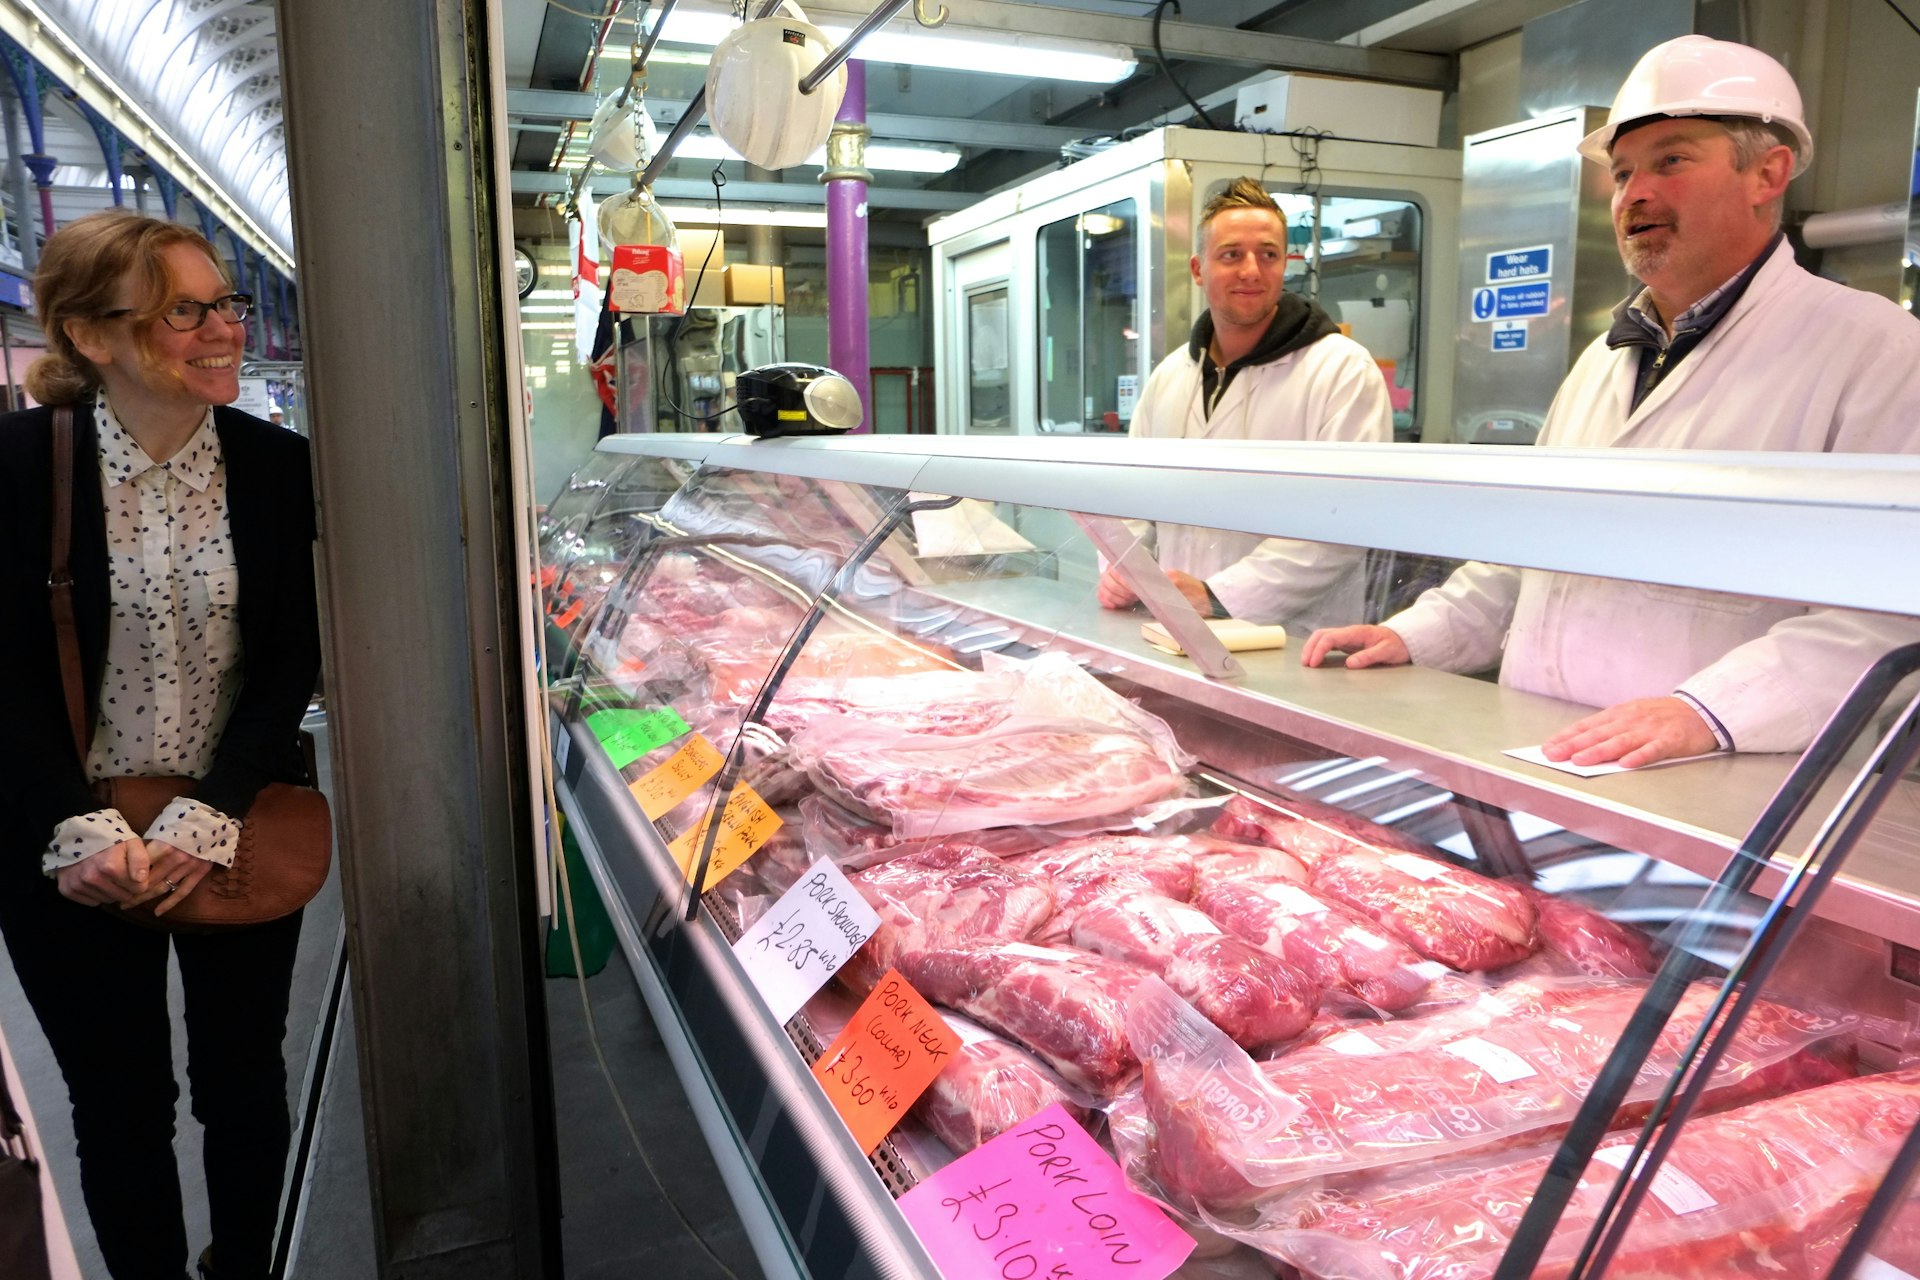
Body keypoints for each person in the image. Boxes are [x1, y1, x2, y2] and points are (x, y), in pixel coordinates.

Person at [1302, 35, 1920, 768]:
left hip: (1723, 781)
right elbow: (1530, 550)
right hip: (1549, 757)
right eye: (1624, 172)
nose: (1636, 194)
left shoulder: (1879, 351)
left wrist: (1708, 712)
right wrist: (1419, 632)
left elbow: (1887, 611)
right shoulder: (1602, 359)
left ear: (1769, 173)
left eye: (1673, 161)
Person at [0, 211, 321, 1280]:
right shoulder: (17, 466)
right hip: (69, 846)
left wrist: (218, 801)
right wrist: (66, 817)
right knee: (119, 1096)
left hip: (232, 822)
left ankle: (244, 1266)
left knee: (244, 1079)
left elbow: (290, 659)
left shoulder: (277, 468)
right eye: (184, 310)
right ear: (91, 335)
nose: (223, 329)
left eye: (223, 303)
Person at [1097, 177, 1393, 632]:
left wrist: (1218, 596)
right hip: (1175, 627)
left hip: (1294, 641)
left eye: (1269, 254)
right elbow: (1129, 498)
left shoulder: (1341, 370)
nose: (1251, 270)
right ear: (1198, 269)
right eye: (1231, 254)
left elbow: (1343, 522)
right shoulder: (1171, 377)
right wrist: (1122, 569)